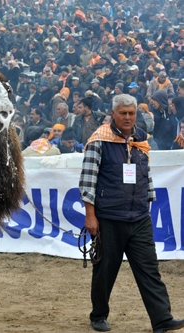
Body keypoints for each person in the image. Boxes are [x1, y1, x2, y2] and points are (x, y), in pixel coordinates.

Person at [79, 94, 184, 333]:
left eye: (131, 113)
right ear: (113, 114)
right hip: (109, 217)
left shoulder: (140, 140)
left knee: (150, 270)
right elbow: (87, 182)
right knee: (105, 270)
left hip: (139, 218)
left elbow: (145, 176)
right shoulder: (99, 140)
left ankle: (162, 319)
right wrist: (90, 216)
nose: (127, 117)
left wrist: (147, 206)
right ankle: (98, 315)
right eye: (123, 113)